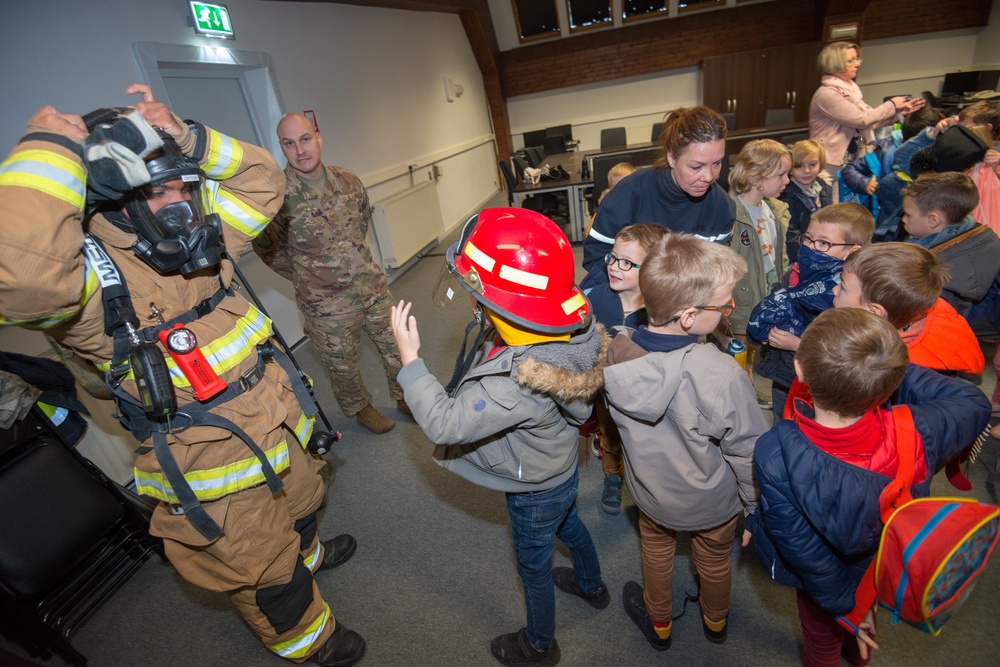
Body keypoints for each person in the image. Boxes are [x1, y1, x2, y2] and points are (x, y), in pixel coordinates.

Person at [0, 87, 364, 665]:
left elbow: (264, 182)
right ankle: (309, 642)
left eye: (183, 185)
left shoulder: (200, 241)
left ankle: (310, 559)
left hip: (277, 417)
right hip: (211, 456)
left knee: (302, 499)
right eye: (160, 190)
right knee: (261, 560)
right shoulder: (92, 289)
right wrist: (49, 152)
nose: (183, 201)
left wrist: (188, 136)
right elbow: (19, 279)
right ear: (117, 203)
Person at [390, 208, 609, 667]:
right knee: (571, 525)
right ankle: (592, 586)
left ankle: (538, 645)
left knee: (534, 566)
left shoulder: (515, 383)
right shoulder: (573, 332)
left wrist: (411, 361)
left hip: (532, 489)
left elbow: (446, 424)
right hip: (562, 469)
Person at [752, 307, 991, 667]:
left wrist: (844, 604)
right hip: (880, 564)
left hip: (825, 587)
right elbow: (974, 402)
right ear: (894, 380)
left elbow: (800, 547)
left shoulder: (773, 453)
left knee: (821, 641)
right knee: (864, 624)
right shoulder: (921, 428)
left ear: (799, 370)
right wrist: (882, 367)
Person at [602, 233, 766, 652]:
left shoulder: (617, 351)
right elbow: (747, 451)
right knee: (713, 561)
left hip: (651, 494)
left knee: (655, 552)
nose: (729, 310)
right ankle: (715, 621)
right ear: (690, 317)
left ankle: (659, 623)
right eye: (724, 305)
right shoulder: (722, 375)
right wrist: (754, 507)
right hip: (712, 503)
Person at [254, 113, 405, 435]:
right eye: (289, 143)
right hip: (326, 305)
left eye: (305, 139)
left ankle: (406, 396)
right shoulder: (276, 199)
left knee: (399, 348)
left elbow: (361, 224)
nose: (300, 150)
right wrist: (309, 276)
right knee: (342, 366)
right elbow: (268, 250)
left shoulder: (348, 181)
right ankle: (361, 408)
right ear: (281, 147)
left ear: (319, 138)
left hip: (372, 288)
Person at [749, 203, 874, 414]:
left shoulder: (846, 294)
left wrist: (799, 345)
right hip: (784, 374)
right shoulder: (797, 273)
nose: (810, 248)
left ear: (851, 251)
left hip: (817, 385)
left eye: (823, 243)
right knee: (783, 419)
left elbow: (843, 350)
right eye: (807, 238)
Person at [582, 106, 735, 279]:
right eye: (696, 167)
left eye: (717, 163)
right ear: (671, 158)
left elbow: (717, 270)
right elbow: (595, 260)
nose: (709, 177)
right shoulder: (627, 195)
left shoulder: (721, 206)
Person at [580, 223, 668, 515]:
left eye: (627, 263)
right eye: (613, 257)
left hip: (648, 392)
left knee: (648, 441)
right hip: (605, 388)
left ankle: (649, 483)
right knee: (610, 434)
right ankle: (613, 475)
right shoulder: (593, 298)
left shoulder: (660, 309)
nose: (614, 267)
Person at [832, 243, 985, 375]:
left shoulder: (878, 367)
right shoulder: (912, 308)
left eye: (843, 287)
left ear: (873, 311)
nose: (834, 289)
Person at [808, 41, 924, 200]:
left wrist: (897, 112)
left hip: (849, 160)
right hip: (829, 163)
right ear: (835, 64)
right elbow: (862, 120)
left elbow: (872, 121)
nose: (857, 64)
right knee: (832, 209)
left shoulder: (851, 91)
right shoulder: (827, 94)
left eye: (857, 59)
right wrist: (891, 104)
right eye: (850, 60)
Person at [727, 139, 792, 379]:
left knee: (764, 353)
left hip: (770, 295)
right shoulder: (729, 213)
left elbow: (779, 256)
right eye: (781, 175)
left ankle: (760, 390)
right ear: (755, 177)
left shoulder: (776, 211)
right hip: (741, 304)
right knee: (738, 359)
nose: (787, 181)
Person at [900, 171, 1000, 320]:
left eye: (908, 215)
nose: (903, 219)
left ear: (933, 220)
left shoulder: (940, 283)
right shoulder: (971, 235)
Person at [779, 139, 833, 262]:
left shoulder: (823, 187)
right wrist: (809, 259)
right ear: (790, 169)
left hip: (822, 250)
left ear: (821, 165)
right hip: (802, 257)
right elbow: (790, 237)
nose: (807, 171)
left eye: (812, 164)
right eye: (799, 166)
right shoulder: (786, 196)